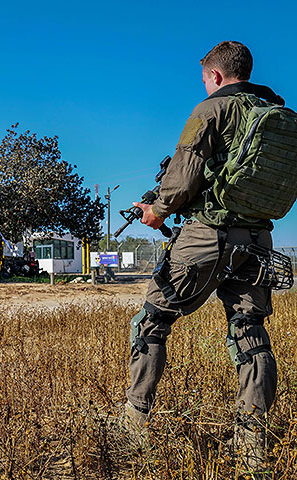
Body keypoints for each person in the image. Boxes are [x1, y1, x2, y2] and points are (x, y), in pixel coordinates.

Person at [124, 41, 286, 470]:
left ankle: (132, 425)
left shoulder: (211, 110)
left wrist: (156, 211)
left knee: (152, 321)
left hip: (207, 236)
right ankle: (253, 444)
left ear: (214, 75)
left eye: (203, 78)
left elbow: (181, 181)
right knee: (249, 330)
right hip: (258, 241)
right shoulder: (274, 113)